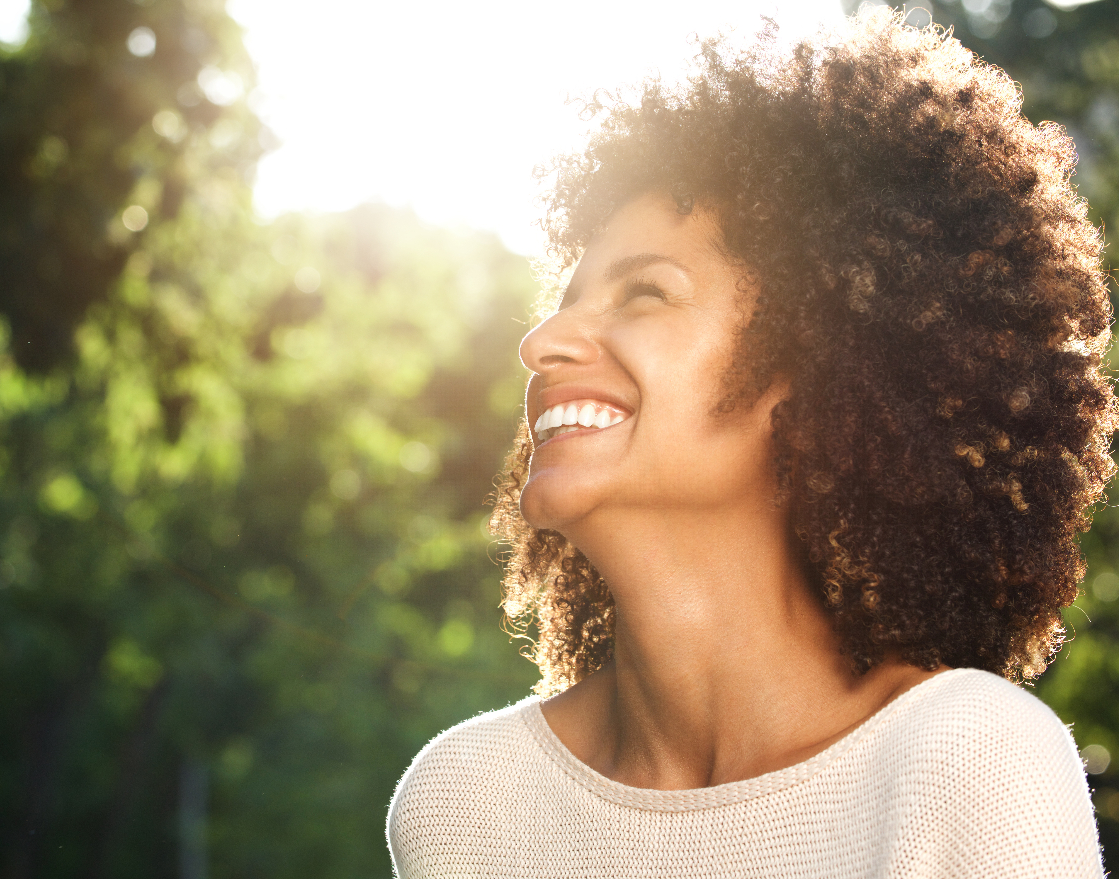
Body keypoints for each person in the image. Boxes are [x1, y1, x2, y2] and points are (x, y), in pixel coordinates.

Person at [388, 10, 1114, 877]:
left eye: (646, 293)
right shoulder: (467, 803)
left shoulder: (969, 761)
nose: (542, 342)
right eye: (565, 299)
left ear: (815, 361)